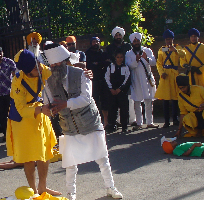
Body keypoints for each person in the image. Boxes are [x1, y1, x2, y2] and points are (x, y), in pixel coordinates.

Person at [43, 43, 123, 200]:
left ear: (63, 62)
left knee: (102, 158)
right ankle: (71, 193)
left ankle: (110, 187)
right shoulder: (48, 82)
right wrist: (49, 108)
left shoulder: (81, 74)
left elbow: (86, 98)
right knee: (70, 164)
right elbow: (48, 102)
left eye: (57, 63)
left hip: (89, 122)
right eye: (52, 64)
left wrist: (66, 104)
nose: (54, 67)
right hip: (69, 126)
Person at [6, 49, 60, 196]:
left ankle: (43, 187)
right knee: (29, 157)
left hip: (41, 113)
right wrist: (42, 109)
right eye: (35, 68)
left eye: (38, 65)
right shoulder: (17, 82)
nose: (39, 68)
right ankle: (34, 191)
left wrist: (82, 71)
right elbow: (22, 110)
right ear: (27, 70)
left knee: (45, 153)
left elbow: (58, 70)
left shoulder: (41, 69)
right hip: (23, 121)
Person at [125, 32, 159, 130]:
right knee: (137, 101)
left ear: (140, 41)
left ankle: (150, 122)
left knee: (148, 100)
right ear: (132, 42)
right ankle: (139, 123)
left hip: (147, 78)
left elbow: (153, 62)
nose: (136, 43)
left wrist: (146, 58)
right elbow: (129, 66)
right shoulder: (128, 53)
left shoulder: (147, 50)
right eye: (134, 41)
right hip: (136, 79)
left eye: (137, 41)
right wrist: (136, 60)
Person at [105, 26, 136, 126]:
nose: (118, 37)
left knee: (129, 100)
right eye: (116, 35)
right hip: (114, 73)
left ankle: (131, 120)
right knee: (114, 103)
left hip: (127, 72)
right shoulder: (109, 48)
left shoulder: (127, 46)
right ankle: (116, 122)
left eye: (119, 35)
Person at [155, 29, 185, 127]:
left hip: (174, 74)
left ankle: (175, 119)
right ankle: (166, 121)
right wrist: (161, 73)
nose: (168, 41)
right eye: (167, 39)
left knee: (175, 98)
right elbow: (159, 63)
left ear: (173, 39)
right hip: (165, 75)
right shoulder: (162, 49)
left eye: (170, 39)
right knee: (165, 98)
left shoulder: (178, 47)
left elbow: (183, 54)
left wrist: (175, 50)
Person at [174, 74, 204, 138]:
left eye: (184, 87)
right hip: (194, 115)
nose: (182, 90)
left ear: (188, 85)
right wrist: (179, 130)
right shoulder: (180, 95)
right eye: (180, 88)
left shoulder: (199, 89)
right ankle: (198, 131)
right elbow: (183, 113)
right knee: (186, 118)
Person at [85, 36, 110, 126]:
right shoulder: (87, 53)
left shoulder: (103, 53)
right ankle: (95, 121)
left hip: (103, 80)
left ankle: (106, 122)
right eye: (93, 41)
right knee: (94, 101)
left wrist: (97, 64)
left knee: (105, 101)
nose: (95, 43)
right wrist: (100, 64)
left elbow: (107, 63)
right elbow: (89, 66)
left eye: (97, 41)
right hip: (93, 81)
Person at [105, 49, 131, 133]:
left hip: (122, 91)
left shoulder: (126, 67)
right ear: (115, 58)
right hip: (112, 91)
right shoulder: (110, 67)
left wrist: (120, 89)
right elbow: (107, 77)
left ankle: (124, 127)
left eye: (121, 57)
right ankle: (112, 125)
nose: (119, 59)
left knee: (124, 109)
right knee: (112, 109)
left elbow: (127, 79)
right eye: (118, 57)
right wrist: (111, 88)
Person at [0, 47, 16, 142]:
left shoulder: (8, 62)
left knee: (10, 114)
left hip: (8, 93)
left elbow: (15, 75)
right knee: (2, 115)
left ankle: (13, 134)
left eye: (0, 52)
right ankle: (5, 134)